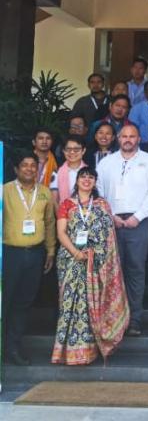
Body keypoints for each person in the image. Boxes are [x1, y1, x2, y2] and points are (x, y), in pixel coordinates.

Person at [52, 168, 129, 365]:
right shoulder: (66, 204)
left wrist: (96, 256)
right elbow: (61, 232)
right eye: (83, 177)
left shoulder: (103, 205)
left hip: (96, 262)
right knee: (71, 304)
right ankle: (70, 351)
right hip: (70, 260)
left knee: (90, 305)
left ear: (95, 182)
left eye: (90, 177)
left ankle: (90, 350)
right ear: (76, 181)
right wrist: (76, 253)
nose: (86, 180)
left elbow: (109, 237)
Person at [97, 125, 148, 335]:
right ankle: (114, 319)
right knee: (113, 271)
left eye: (132, 136)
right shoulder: (106, 163)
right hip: (112, 222)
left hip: (138, 223)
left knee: (135, 270)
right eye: (124, 136)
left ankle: (134, 319)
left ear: (139, 138)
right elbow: (98, 193)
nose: (127, 139)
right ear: (118, 138)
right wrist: (111, 216)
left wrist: (138, 216)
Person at [2, 153, 55, 365]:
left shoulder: (44, 193)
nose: (29, 169)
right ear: (16, 169)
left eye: (33, 165)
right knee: (4, 302)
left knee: (23, 303)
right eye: (24, 165)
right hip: (9, 254)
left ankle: (13, 348)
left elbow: (50, 222)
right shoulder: (4, 191)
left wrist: (50, 250)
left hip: (35, 253)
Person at [50, 135, 87, 208]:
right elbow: (54, 201)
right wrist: (62, 217)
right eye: (68, 149)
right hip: (63, 216)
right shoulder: (56, 172)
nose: (72, 152)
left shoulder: (90, 172)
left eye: (76, 149)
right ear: (63, 151)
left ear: (83, 151)